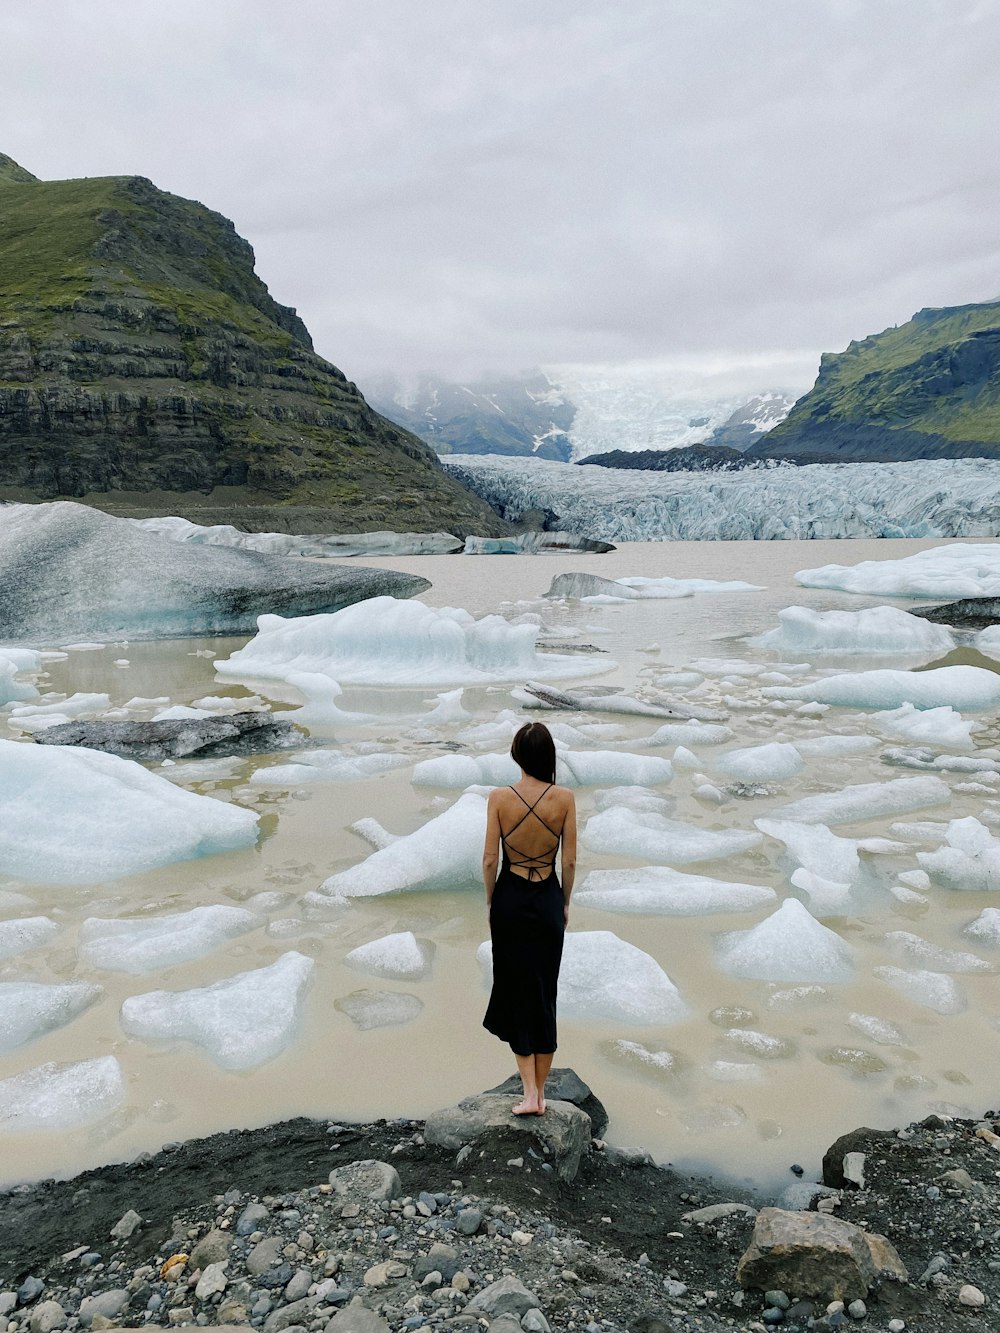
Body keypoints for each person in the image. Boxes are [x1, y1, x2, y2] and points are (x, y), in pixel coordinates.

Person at [482, 720, 577, 1116]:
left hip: (510, 897)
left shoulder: (500, 798)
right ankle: (540, 1093)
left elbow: (490, 859)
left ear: (518, 756)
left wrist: (491, 902)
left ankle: (530, 1093)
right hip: (547, 899)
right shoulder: (565, 798)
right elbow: (569, 860)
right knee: (544, 993)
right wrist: (565, 903)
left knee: (514, 990)